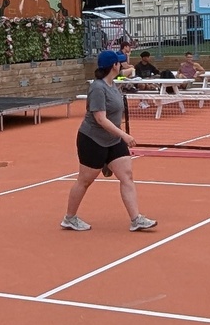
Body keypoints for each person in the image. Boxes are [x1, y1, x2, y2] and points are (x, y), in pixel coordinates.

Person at [62, 49, 156, 233]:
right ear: (114, 66)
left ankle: (136, 219)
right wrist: (124, 135)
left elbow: (129, 73)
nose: (121, 64)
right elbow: (100, 119)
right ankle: (69, 218)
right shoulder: (98, 88)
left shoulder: (113, 84)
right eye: (119, 62)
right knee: (85, 181)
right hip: (92, 140)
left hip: (112, 140)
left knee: (126, 175)